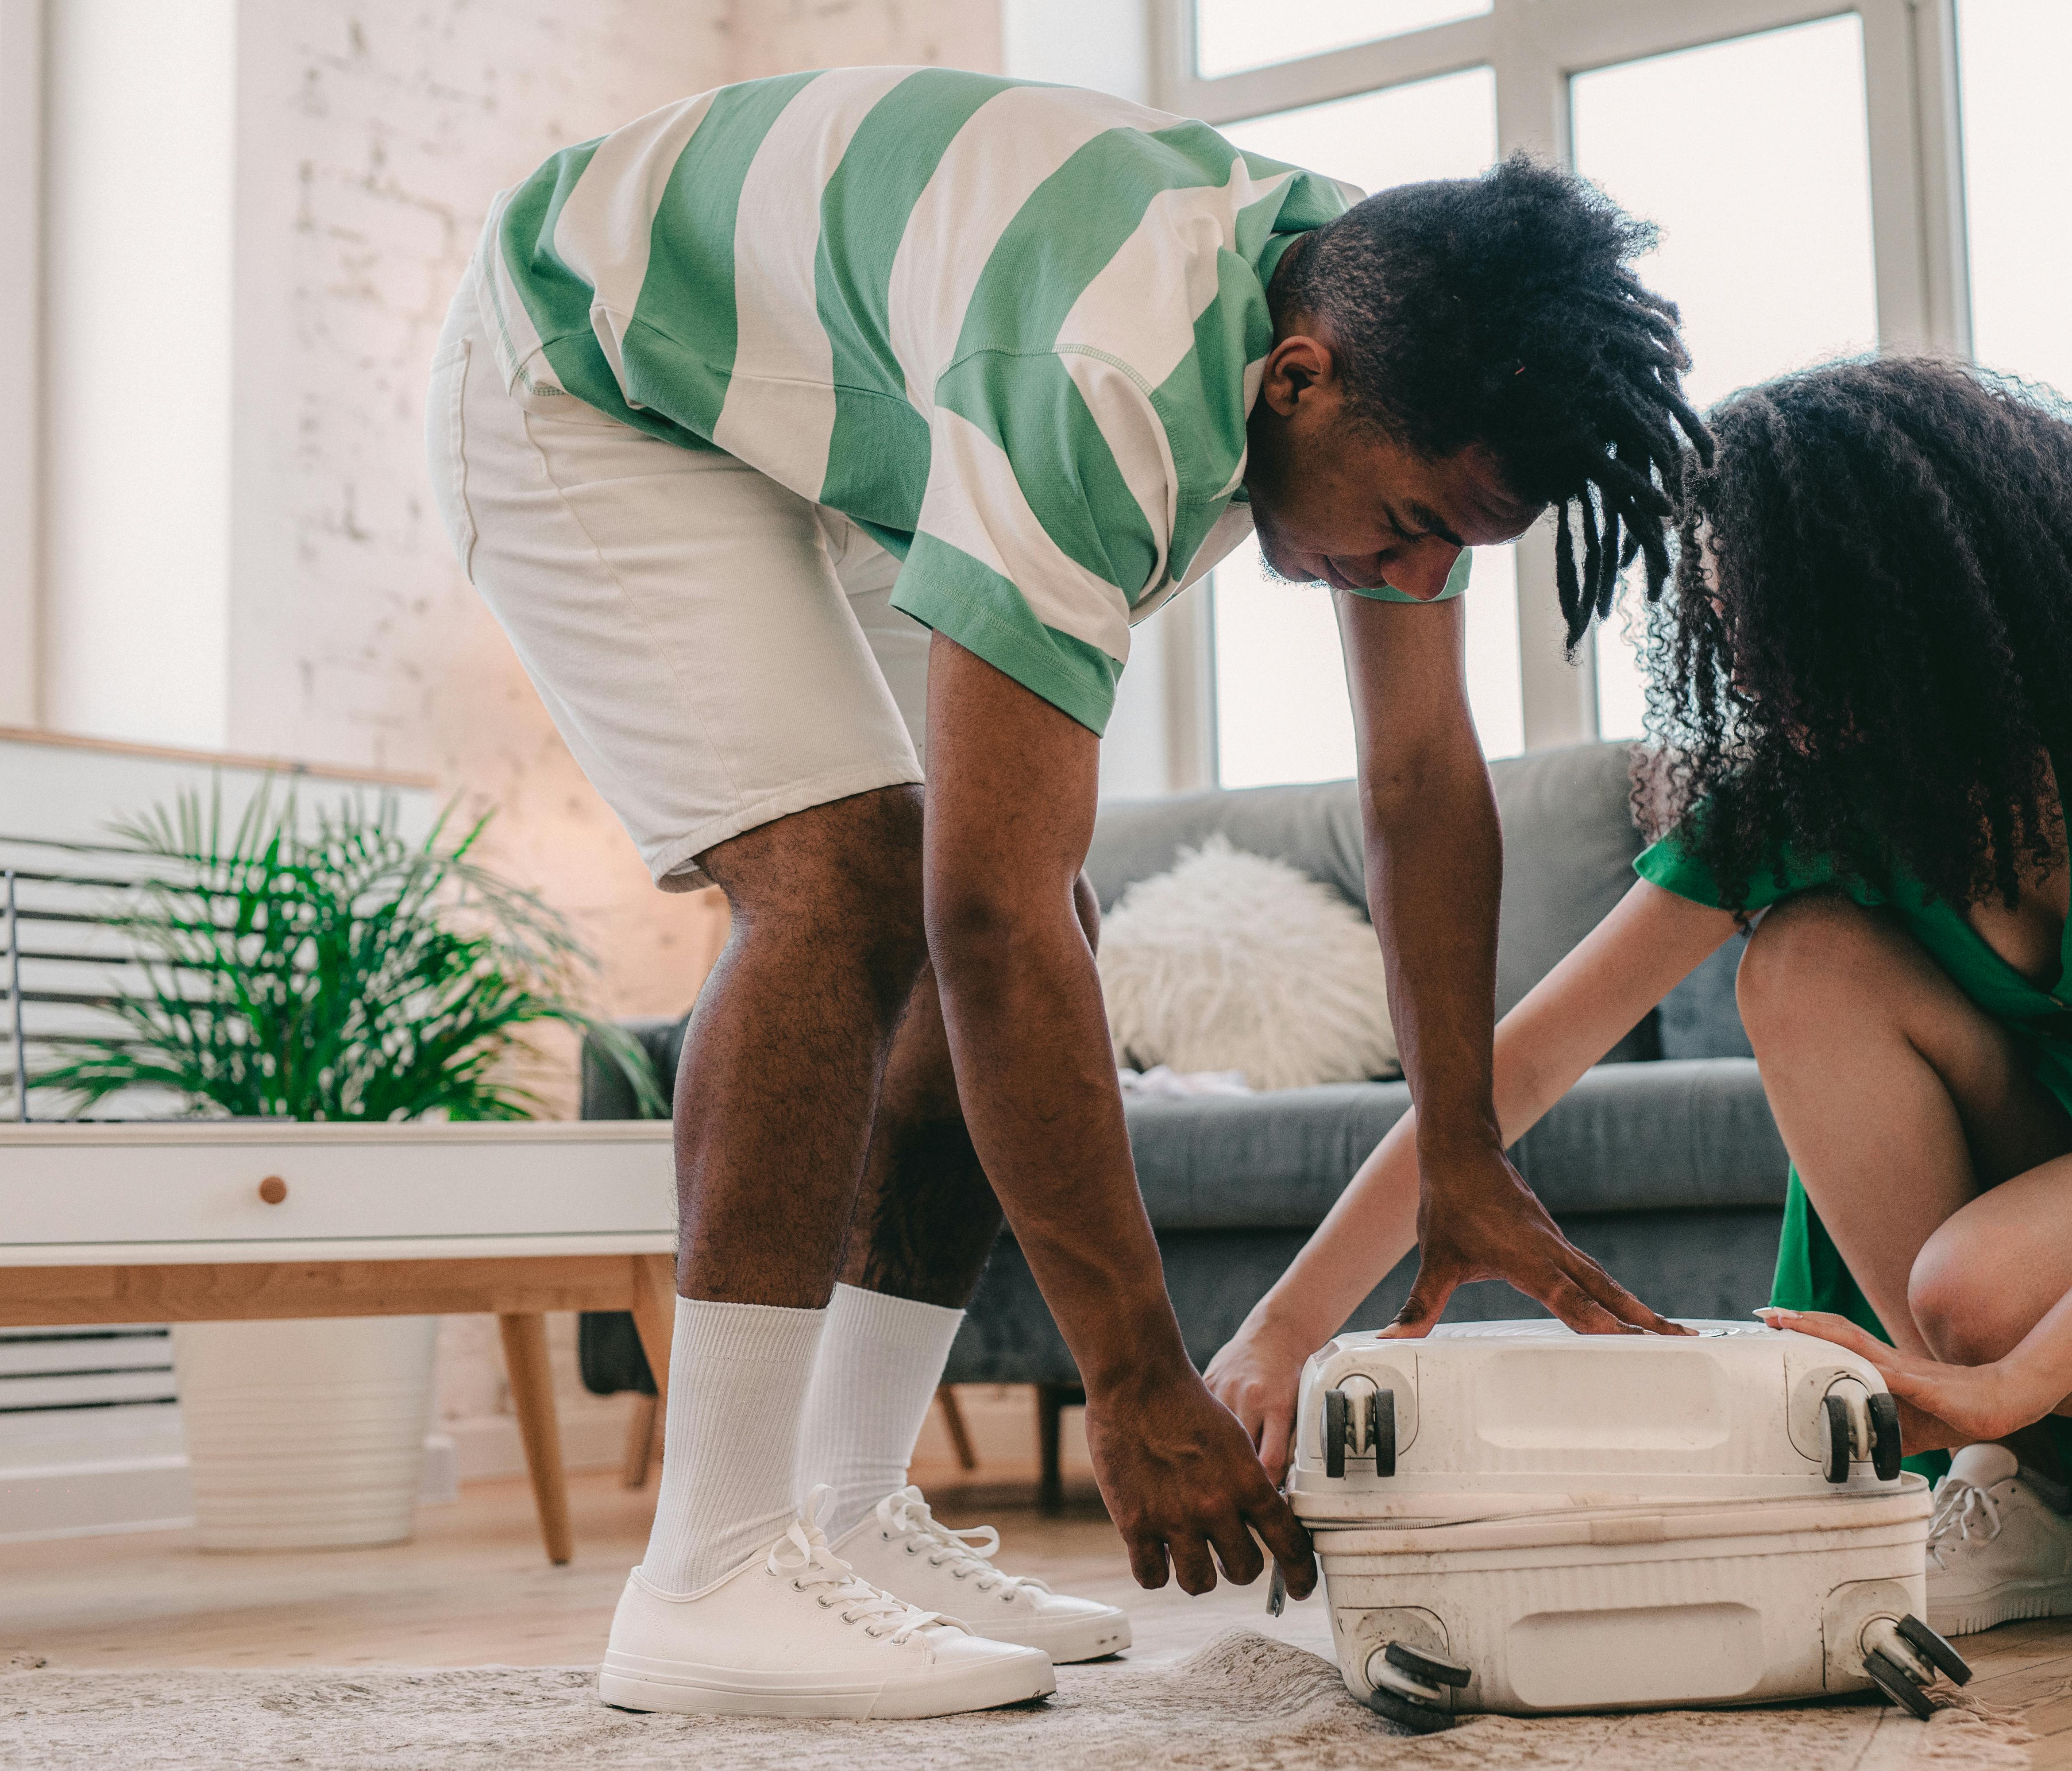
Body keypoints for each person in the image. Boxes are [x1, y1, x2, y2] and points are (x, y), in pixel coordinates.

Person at [426, 66, 1703, 1719]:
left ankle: (841, 1514)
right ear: (1297, 382)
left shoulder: (1397, 319)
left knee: (1052, 924)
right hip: (585, 365)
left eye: (1449, 550)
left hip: (835, 415)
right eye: (1399, 530)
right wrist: (1134, 1378)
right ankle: (710, 1570)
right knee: (854, 888)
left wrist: (1460, 1145)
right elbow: (975, 921)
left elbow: (1420, 780)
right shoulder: (1107, 374)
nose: (1408, 578)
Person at [1206, 355, 2072, 1637]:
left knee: (1977, 1299)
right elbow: (1517, 1068)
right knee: (1803, 959)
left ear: (1926, 606)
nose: (1767, 685)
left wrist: (2003, 1383)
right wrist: (1281, 1330)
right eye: (1736, 638)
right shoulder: (1809, 784)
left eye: (1794, 639)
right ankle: (2022, 1493)